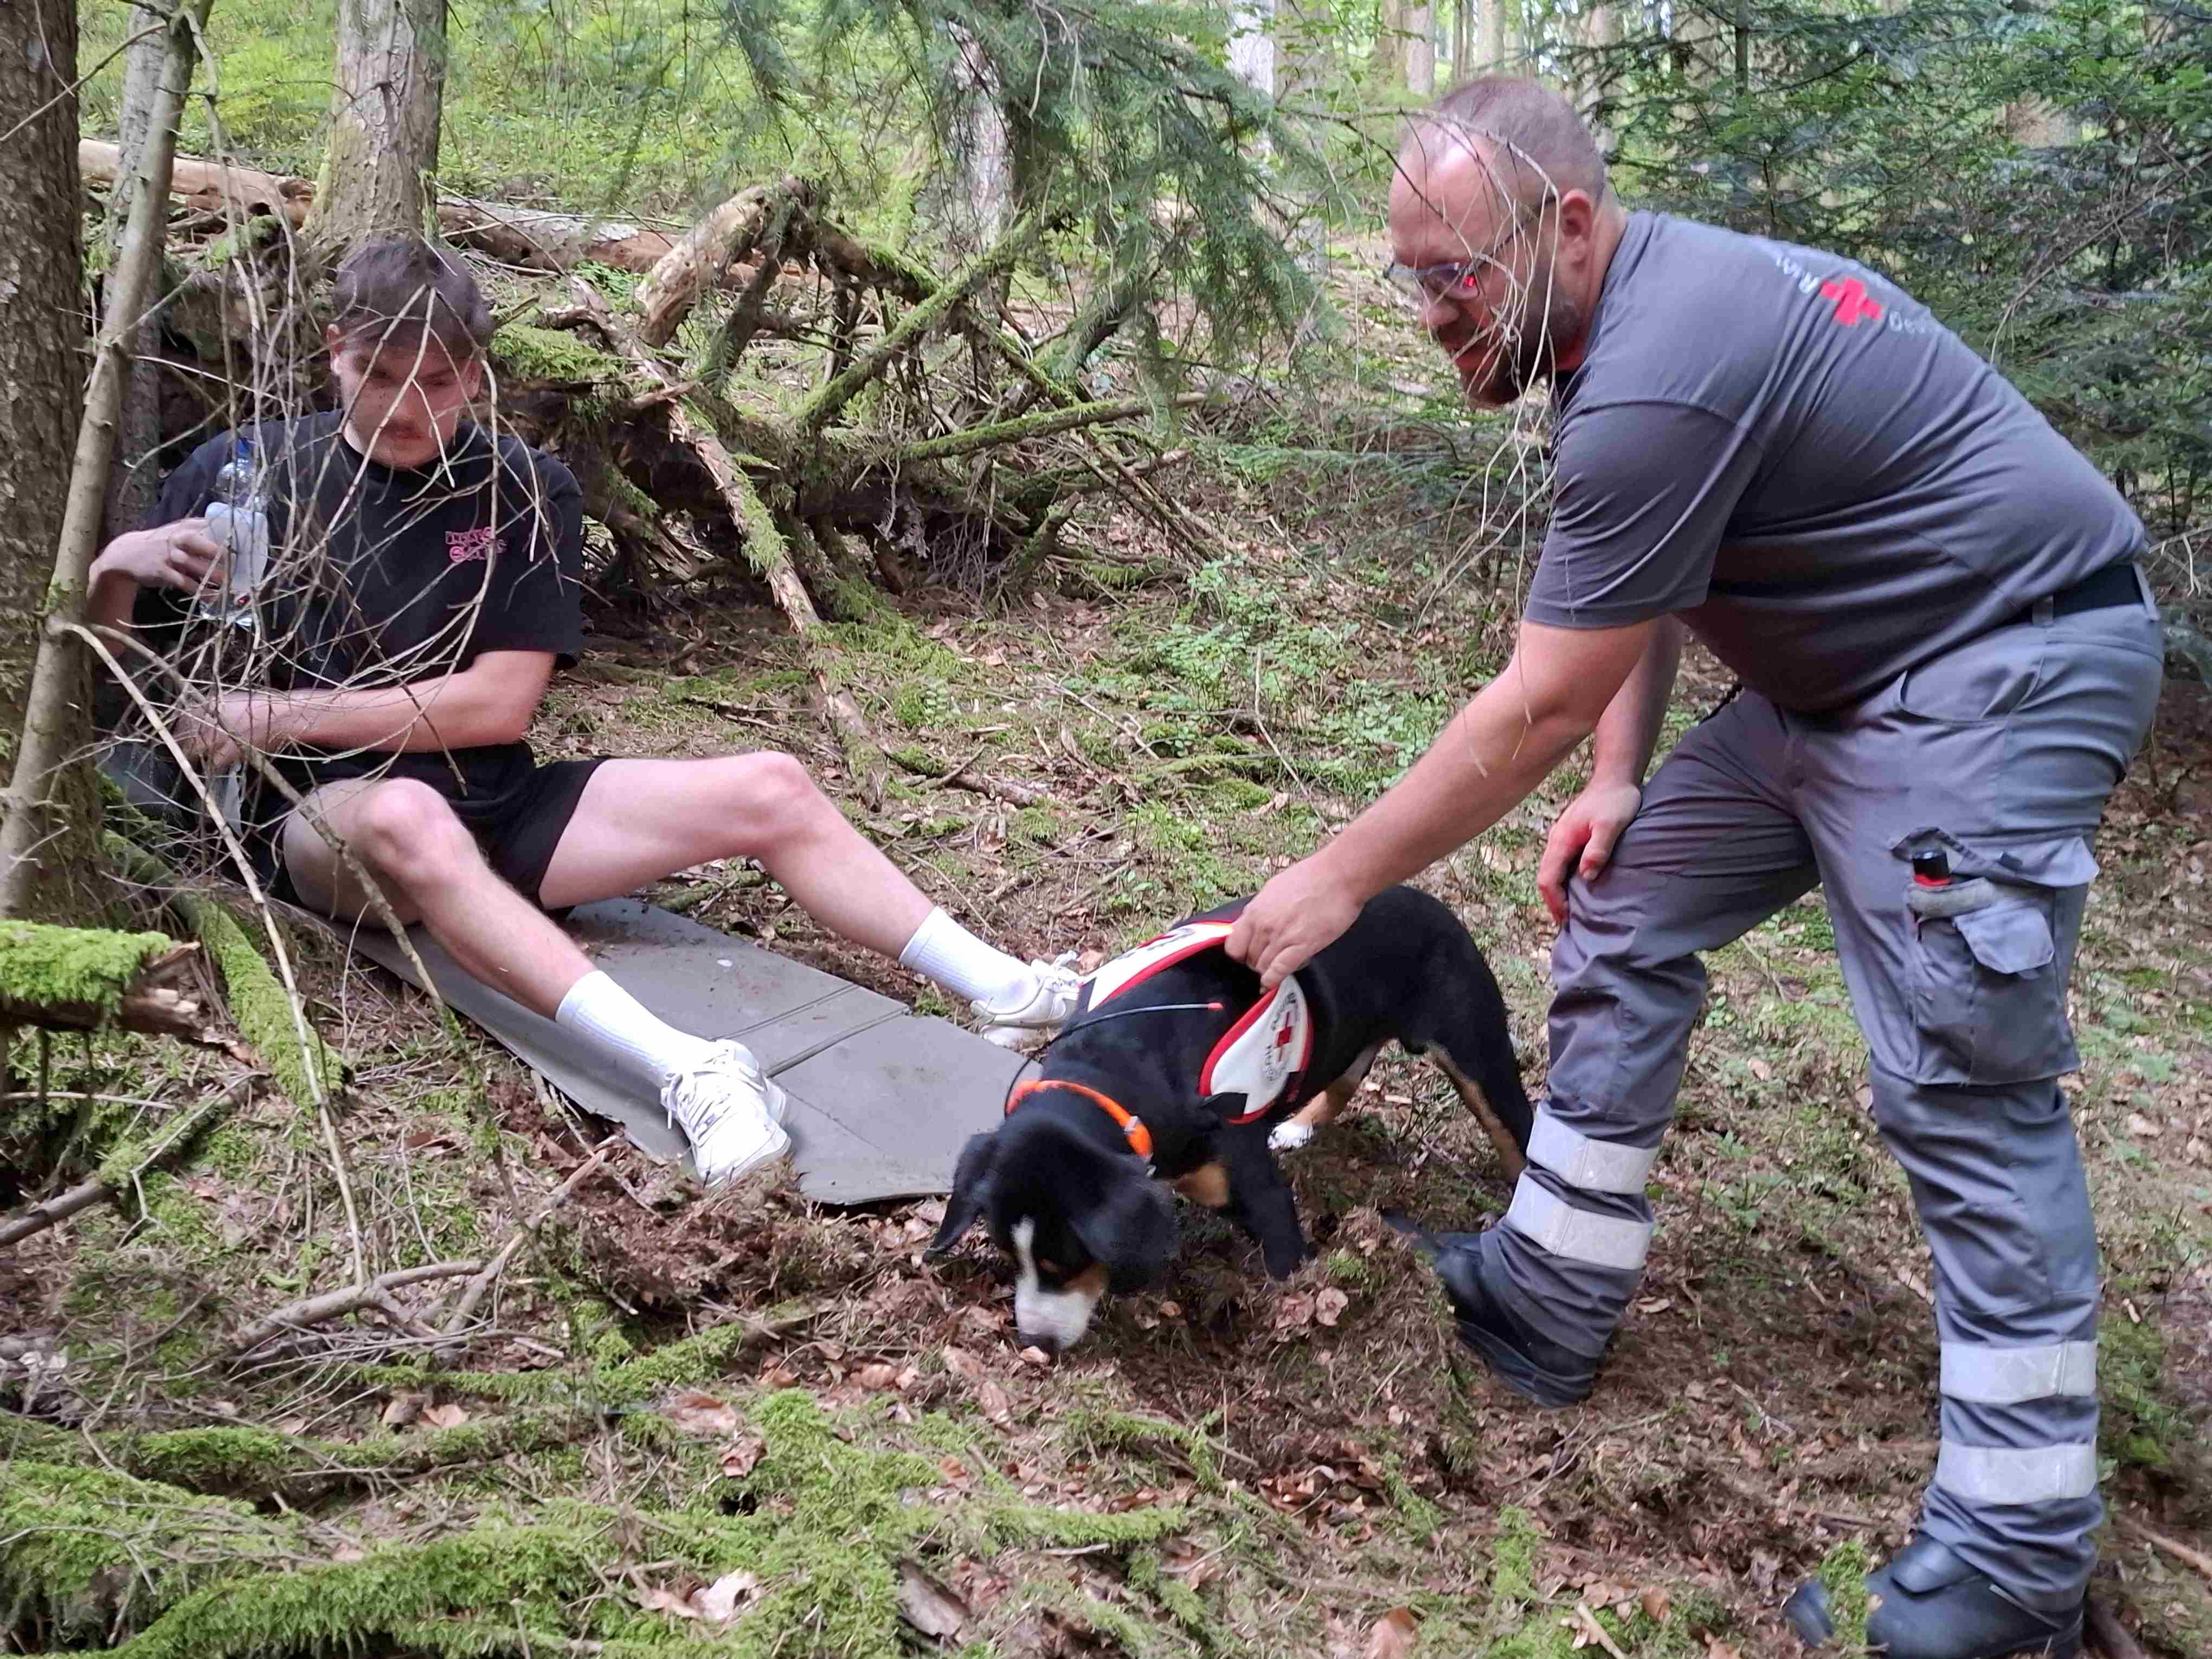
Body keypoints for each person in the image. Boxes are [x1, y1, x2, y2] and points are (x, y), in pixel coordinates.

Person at [1224, 78, 2160, 1659]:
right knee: (1626, 892)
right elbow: (1650, 586)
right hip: (1832, 684)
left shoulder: (1660, 368)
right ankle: (1548, 1291)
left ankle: (2018, 1561)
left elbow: (1532, 698)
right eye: (1412, 280)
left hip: (2000, 665)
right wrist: (1619, 780)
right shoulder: (1624, 332)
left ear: (1571, 227)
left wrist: (1339, 877)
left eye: (1459, 277)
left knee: (1961, 1073)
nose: (1435, 316)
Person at [88, 236, 1076, 1186]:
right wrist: (114, 575)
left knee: (770, 785)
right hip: (320, 823)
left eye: (437, 382)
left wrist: (279, 712)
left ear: (476, 374)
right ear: (334, 353)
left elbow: (496, 707)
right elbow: (113, 682)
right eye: (378, 375)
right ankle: (690, 1072)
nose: (406, 407)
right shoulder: (244, 471)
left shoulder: (522, 488)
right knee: (406, 815)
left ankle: (1009, 990)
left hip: (492, 800)